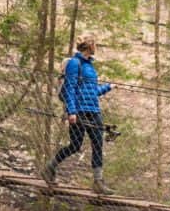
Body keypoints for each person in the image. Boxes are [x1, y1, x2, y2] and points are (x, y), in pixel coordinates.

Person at [42, 34, 115, 194]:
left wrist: (108, 87)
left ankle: (98, 182)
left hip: (94, 110)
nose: (96, 48)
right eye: (95, 45)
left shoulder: (90, 66)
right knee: (75, 145)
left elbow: (92, 91)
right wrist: (72, 111)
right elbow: (70, 87)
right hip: (79, 110)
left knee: (98, 143)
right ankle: (50, 167)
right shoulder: (74, 63)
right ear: (89, 46)